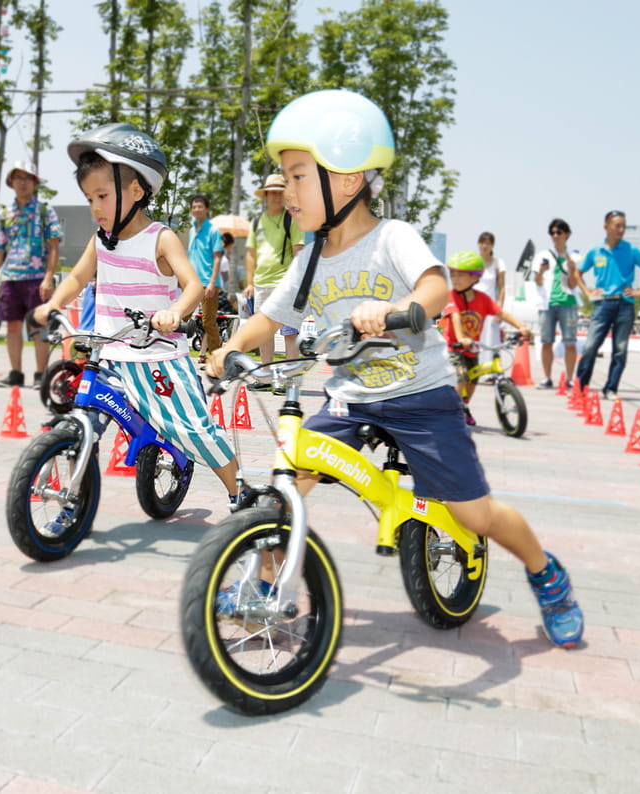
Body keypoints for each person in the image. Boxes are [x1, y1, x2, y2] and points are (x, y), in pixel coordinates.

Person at [206, 89, 582, 648]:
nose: (286, 189)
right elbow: (268, 317)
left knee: (474, 514)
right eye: (284, 176)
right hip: (350, 397)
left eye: (299, 175)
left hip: (421, 396)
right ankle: (266, 592)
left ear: (350, 180)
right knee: (288, 482)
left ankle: (546, 575)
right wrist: (228, 346)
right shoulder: (308, 257)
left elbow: (433, 288)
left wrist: (392, 309)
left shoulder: (392, 237)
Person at [32, 123, 244, 512]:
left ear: (136, 191)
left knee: (196, 432)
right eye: (88, 198)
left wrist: (175, 312)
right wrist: (55, 304)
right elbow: (79, 276)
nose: (94, 207)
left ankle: (240, 493)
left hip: (157, 358)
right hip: (110, 356)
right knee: (83, 421)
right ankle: (73, 501)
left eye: (102, 196)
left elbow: (193, 285)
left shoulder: (160, 239)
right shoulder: (100, 241)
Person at [0, 160, 62, 388]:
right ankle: (16, 373)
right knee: (12, 326)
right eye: (17, 178)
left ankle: (41, 375)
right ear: (11, 182)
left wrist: (49, 277)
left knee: (39, 326)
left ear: (34, 182)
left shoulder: (45, 211)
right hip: (10, 278)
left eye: (27, 178)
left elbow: (54, 246)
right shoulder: (4, 214)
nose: (22, 182)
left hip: (37, 278)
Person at [573, 210, 640, 399]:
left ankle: (611, 388)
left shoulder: (631, 250)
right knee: (590, 347)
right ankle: (580, 387)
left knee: (620, 350)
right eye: (617, 225)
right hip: (602, 305)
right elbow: (578, 273)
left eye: (624, 226)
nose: (621, 230)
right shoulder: (595, 251)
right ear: (606, 227)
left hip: (625, 306)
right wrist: (587, 292)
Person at [442, 250, 532, 425]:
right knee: (460, 377)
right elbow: (455, 317)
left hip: (473, 348)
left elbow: (502, 313)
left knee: (473, 380)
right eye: (453, 275)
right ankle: (451, 414)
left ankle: (464, 406)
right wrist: (461, 337)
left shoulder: (483, 299)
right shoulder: (450, 296)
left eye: (461, 275)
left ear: (476, 278)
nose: (455, 279)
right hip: (454, 346)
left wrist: (520, 326)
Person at [244, 173, 305, 393]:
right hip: (261, 284)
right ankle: (265, 378)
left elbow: (298, 252)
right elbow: (251, 254)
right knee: (264, 333)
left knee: (289, 333)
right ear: (266, 195)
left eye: (280, 192)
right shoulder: (258, 221)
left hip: (285, 284)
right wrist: (249, 282)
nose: (276, 197)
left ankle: (289, 382)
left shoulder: (292, 219)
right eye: (272, 193)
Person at [532, 218, 582, 388]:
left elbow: (574, 284)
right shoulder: (543, 255)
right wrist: (541, 271)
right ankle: (547, 378)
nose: (555, 236)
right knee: (546, 342)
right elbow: (537, 281)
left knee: (570, 342)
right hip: (547, 303)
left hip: (568, 302)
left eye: (559, 232)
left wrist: (573, 269)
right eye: (552, 233)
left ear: (566, 235)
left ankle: (569, 380)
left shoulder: (574, 256)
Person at [186, 194, 223, 362]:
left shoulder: (213, 230)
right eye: (194, 207)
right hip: (192, 282)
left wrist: (211, 283)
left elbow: (217, 257)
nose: (196, 209)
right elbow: (191, 256)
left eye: (200, 206)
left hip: (209, 283)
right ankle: (175, 352)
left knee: (208, 322)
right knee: (183, 315)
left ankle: (218, 358)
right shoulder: (192, 229)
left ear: (206, 209)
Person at [474, 231, 506, 366]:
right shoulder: (473, 262)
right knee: (474, 339)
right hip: (473, 306)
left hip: (490, 307)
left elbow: (502, 287)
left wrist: (499, 309)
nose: (484, 246)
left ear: (492, 245)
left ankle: (490, 372)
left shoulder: (498, 263)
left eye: (488, 243)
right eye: (482, 243)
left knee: (490, 339)